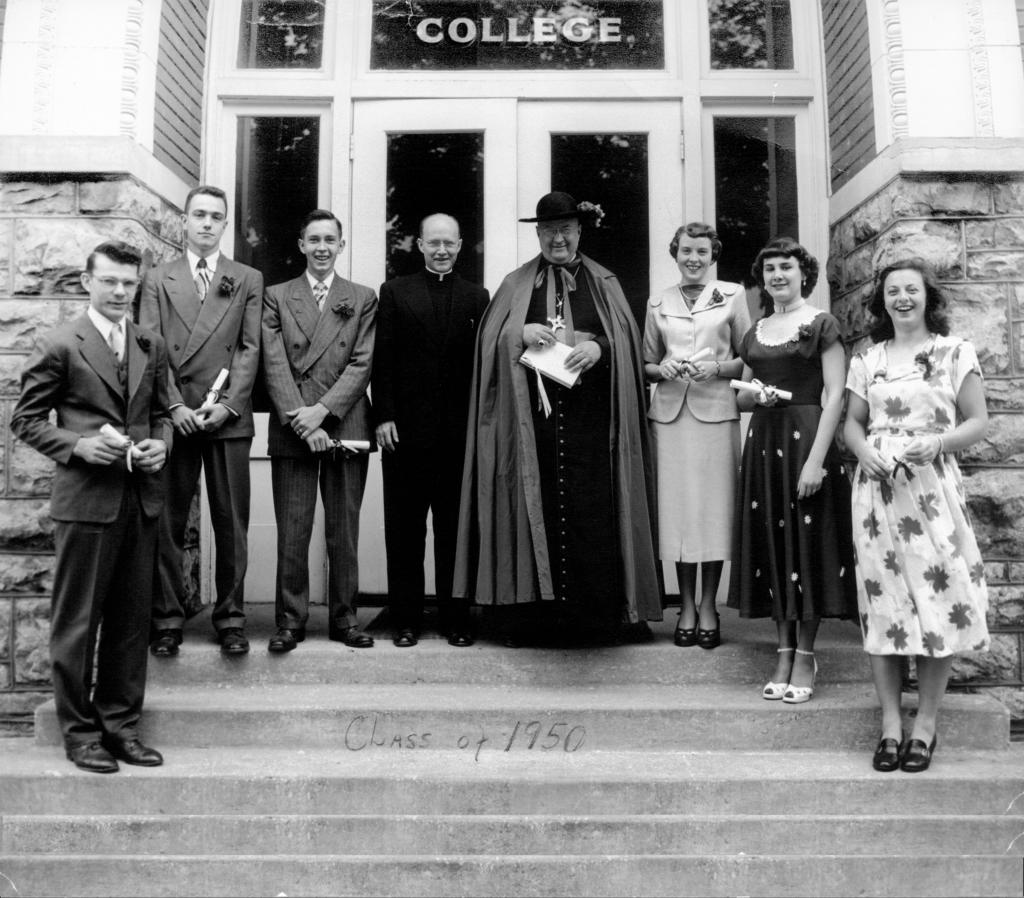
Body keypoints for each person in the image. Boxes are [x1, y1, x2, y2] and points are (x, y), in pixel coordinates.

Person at [453, 191, 661, 645]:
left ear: (580, 231)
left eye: (565, 229)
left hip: (592, 428)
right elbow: (489, 342)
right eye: (548, 231)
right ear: (538, 235)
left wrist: (599, 348)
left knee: (592, 518)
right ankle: (532, 621)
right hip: (532, 430)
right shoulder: (515, 284)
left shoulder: (604, 282)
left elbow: (626, 341)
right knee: (534, 514)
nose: (557, 239)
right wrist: (519, 331)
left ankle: (596, 622)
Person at [11, 241, 171, 773]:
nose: (121, 291)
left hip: (140, 501)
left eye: (129, 282)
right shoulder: (60, 343)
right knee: (77, 623)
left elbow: (162, 413)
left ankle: (121, 727)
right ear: (87, 282)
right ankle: (80, 735)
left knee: (130, 623)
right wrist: (77, 446)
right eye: (110, 281)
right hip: (85, 503)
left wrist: (161, 444)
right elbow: (25, 420)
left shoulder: (149, 342)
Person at [844, 259, 989, 773]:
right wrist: (863, 451)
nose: (902, 298)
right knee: (884, 605)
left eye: (911, 289)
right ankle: (890, 724)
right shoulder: (868, 359)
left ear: (928, 296)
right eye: (892, 291)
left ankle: (925, 724)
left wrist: (939, 443)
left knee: (938, 599)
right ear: (881, 300)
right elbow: (853, 424)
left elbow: (978, 421)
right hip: (877, 495)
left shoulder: (954, 351)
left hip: (932, 492)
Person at [728, 236, 857, 702]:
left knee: (807, 547)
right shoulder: (757, 331)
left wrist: (816, 462)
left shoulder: (821, 324)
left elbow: (835, 395)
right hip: (765, 443)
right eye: (769, 269)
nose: (778, 276)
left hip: (807, 441)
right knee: (775, 548)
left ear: (804, 274)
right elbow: (743, 396)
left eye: (786, 267)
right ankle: (782, 650)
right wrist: (755, 395)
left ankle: (805, 654)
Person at [139, 185, 263, 658]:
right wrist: (174, 407)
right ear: (185, 221)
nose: (207, 223)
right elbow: (149, 346)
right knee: (167, 522)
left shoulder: (247, 277)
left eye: (216, 216)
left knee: (231, 523)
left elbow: (250, 348)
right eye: (199, 215)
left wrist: (227, 404)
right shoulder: (158, 279)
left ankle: (231, 619)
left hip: (226, 417)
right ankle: (167, 620)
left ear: (225, 224)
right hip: (176, 417)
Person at [261, 209, 377, 652]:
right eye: (314, 240)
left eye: (330, 240)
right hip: (294, 426)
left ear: (341, 246)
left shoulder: (362, 297)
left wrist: (322, 412)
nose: (322, 248)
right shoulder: (276, 296)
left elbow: (362, 363)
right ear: (301, 245)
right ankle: (290, 621)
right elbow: (274, 363)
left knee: (343, 530)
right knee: (293, 530)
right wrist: (302, 419)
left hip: (345, 423)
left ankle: (345, 619)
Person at [372, 213, 490, 648]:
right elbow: (382, 358)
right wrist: (384, 416)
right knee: (404, 532)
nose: (442, 250)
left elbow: (481, 367)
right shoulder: (395, 291)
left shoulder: (477, 297)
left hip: (458, 437)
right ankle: (405, 620)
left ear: (460, 246)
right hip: (404, 435)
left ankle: (455, 618)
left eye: (449, 243)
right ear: (420, 245)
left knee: (455, 533)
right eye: (433, 242)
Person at [643, 223, 749, 649]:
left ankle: (708, 606)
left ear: (713, 255)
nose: (694, 258)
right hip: (670, 418)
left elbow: (748, 358)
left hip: (716, 414)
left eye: (702, 251)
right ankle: (685, 605)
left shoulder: (732, 296)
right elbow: (647, 363)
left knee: (712, 513)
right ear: (675, 253)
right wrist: (662, 369)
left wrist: (717, 368)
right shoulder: (658, 302)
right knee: (678, 515)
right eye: (686, 250)